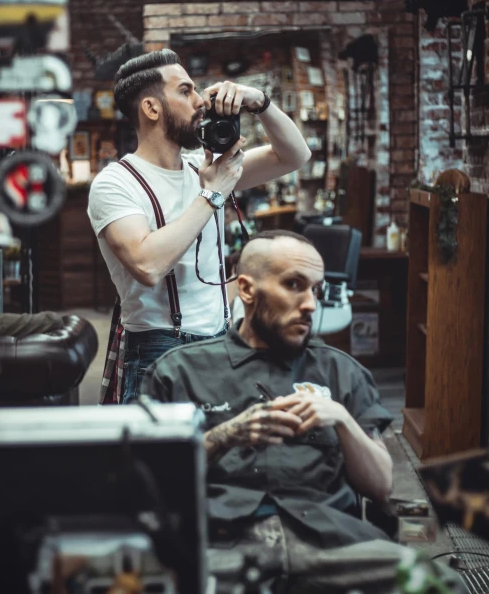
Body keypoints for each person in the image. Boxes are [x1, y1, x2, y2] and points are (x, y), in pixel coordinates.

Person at [140, 231, 466, 593]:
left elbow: (380, 486)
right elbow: (152, 485)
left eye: (316, 289)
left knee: (440, 585)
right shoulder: (180, 372)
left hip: (333, 545)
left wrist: (341, 418)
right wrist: (224, 436)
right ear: (247, 290)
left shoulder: (341, 372)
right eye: (294, 285)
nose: (310, 303)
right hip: (221, 546)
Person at [88, 49, 311, 404]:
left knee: (219, 455)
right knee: (164, 459)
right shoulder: (115, 184)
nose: (200, 101)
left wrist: (261, 103)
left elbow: (295, 156)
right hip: (158, 352)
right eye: (185, 91)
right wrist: (213, 194)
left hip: (221, 341)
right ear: (151, 108)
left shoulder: (199, 167)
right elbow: (147, 265)